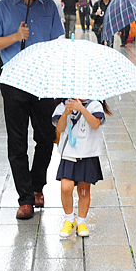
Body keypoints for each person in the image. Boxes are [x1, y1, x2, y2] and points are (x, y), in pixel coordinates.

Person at [0, 0, 65, 220]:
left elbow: (57, 41)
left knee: (46, 137)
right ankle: (25, 199)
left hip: (43, 81)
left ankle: (37, 184)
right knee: (17, 142)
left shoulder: (49, 6)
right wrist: (15, 36)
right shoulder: (1, 8)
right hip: (14, 82)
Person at [53, 98, 112, 237]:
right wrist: (66, 113)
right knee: (66, 188)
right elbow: (59, 128)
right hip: (68, 154)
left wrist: (82, 109)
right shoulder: (63, 105)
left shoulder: (95, 105)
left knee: (84, 190)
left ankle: (81, 221)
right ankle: (69, 220)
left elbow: (95, 124)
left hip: (87, 154)